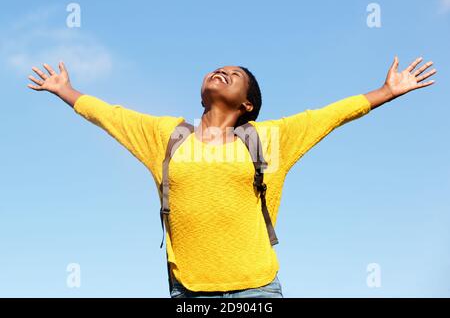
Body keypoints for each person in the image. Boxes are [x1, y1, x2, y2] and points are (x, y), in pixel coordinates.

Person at [27, 57, 436, 298]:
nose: (221, 72)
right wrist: (66, 90)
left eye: (234, 74)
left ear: (247, 103)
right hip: (189, 290)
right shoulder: (166, 137)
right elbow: (112, 116)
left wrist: (387, 91)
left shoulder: (269, 138)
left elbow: (329, 116)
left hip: (256, 288)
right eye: (217, 70)